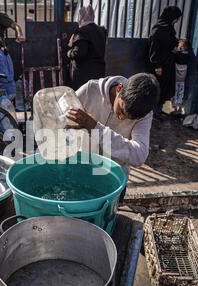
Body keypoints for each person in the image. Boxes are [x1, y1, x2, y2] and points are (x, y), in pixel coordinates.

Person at [66, 74, 160, 202]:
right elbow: (60, 120)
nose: (121, 118)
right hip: (80, 173)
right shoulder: (90, 90)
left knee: (106, 219)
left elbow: (139, 155)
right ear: (119, 88)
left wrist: (95, 128)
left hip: (112, 181)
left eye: (130, 119)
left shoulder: (145, 115)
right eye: (121, 110)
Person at [149, 6, 182, 118]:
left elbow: (170, 43)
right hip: (160, 65)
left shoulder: (169, 29)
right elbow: (154, 49)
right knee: (158, 88)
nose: (177, 21)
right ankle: (153, 112)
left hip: (168, 63)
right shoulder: (158, 29)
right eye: (176, 18)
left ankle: (158, 110)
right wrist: (157, 65)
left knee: (164, 88)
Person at [67, 4, 107, 91]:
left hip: (84, 77)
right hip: (98, 74)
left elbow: (79, 53)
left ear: (81, 18)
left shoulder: (82, 31)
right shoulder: (101, 31)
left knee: (81, 102)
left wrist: (69, 52)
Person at [173, 39, 190, 113]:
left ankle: (175, 108)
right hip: (182, 79)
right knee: (181, 92)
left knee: (175, 92)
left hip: (176, 78)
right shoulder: (187, 55)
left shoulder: (177, 54)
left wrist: (176, 49)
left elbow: (173, 52)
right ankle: (179, 107)